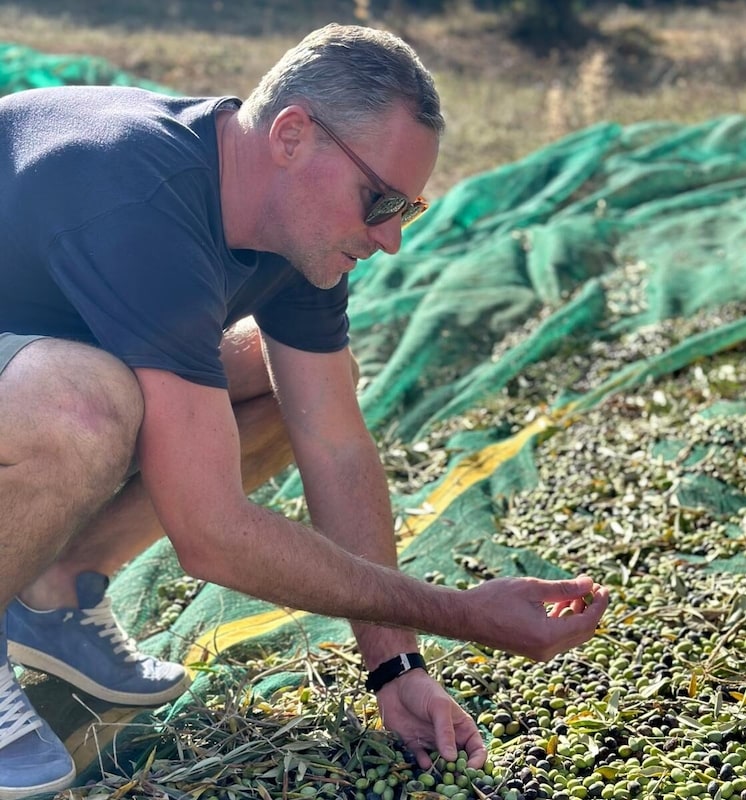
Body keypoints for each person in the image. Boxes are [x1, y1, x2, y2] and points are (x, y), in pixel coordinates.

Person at [0, 22, 609, 796]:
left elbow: (335, 442)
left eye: (408, 209)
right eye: (379, 199)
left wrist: (398, 665)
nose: (388, 238)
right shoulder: (144, 199)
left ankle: (53, 591)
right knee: (83, 408)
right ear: (292, 135)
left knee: (275, 379)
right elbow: (212, 536)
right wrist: (467, 613)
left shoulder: (294, 234)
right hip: (37, 375)